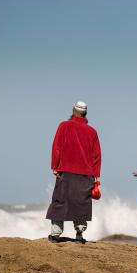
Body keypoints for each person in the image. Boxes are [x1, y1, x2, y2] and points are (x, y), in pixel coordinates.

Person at [46, 101, 101, 244]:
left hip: (66, 171)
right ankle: (79, 236)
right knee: (81, 204)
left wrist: (55, 166)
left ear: (73, 111)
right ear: (85, 113)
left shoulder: (63, 126)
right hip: (86, 175)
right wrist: (96, 175)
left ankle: (55, 235)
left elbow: (56, 147)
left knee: (60, 202)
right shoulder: (92, 132)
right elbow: (96, 156)